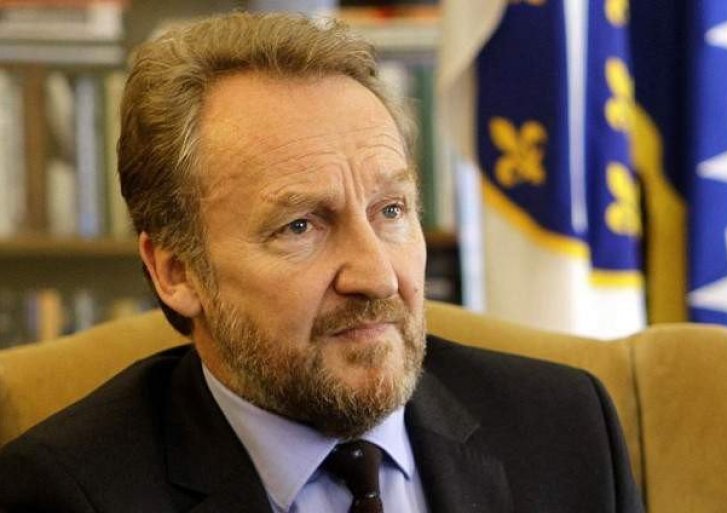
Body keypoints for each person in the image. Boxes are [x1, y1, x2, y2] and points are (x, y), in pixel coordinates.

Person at [0, 12, 643, 513]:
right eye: (300, 225)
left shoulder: (564, 425)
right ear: (177, 271)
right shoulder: (68, 492)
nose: (378, 275)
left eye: (391, 210)